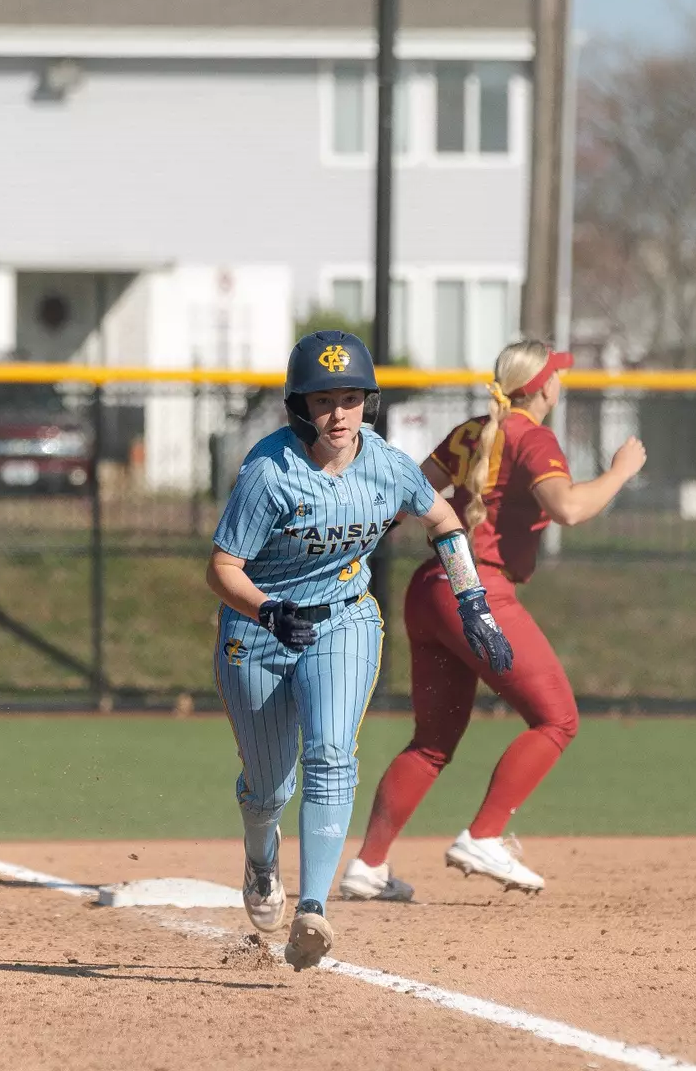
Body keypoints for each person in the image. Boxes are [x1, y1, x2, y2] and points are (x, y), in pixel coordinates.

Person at [207, 330, 514, 970]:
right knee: (269, 786)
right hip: (260, 629)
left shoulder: (385, 465)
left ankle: (313, 909)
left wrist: (473, 601)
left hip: (344, 620)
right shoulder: (269, 472)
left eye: (351, 398)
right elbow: (222, 567)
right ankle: (262, 859)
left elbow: (443, 521)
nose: (339, 414)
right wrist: (267, 609)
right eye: (324, 401)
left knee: (331, 751)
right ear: (300, 407)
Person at [339, 339, 647, 900]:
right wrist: (621, 471)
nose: (561, 383)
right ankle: (484, 835)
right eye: (558, 375)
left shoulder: (472, 430)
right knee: (558, 720)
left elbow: (407, 495)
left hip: (431, 589)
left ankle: (369, 866)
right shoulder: (532, 436)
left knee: (433, 741)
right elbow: (569, 508)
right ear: (543, 386)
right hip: (479, 593)